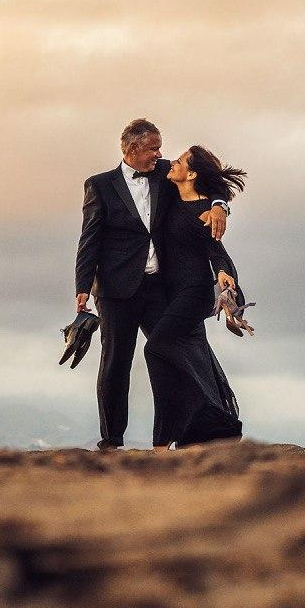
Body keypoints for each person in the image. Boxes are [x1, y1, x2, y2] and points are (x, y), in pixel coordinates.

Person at [75, 119, 230, 450]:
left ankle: (186, 431)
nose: (161, 154)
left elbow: (208, 179)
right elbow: (89, 239)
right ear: (132, 148)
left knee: (171, 352)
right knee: (116, 363)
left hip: (159, 287)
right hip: (116, 290)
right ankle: (112, 440)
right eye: (154, 148)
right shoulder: (100, 185)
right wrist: (82, 289)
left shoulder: (164, 173)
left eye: (161, 148)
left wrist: (219, 206)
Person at [143, 146, 246, 449]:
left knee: (156, 349)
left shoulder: (203, 211)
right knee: (191, 358)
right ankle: (211, 428)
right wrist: (220, 203)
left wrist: (224, 276)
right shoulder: (170, 191)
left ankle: (162, 441)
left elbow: (217, 251)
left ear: (191, 174)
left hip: (194, 293)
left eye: (179, 161)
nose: (171, 162)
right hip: (172, 294)